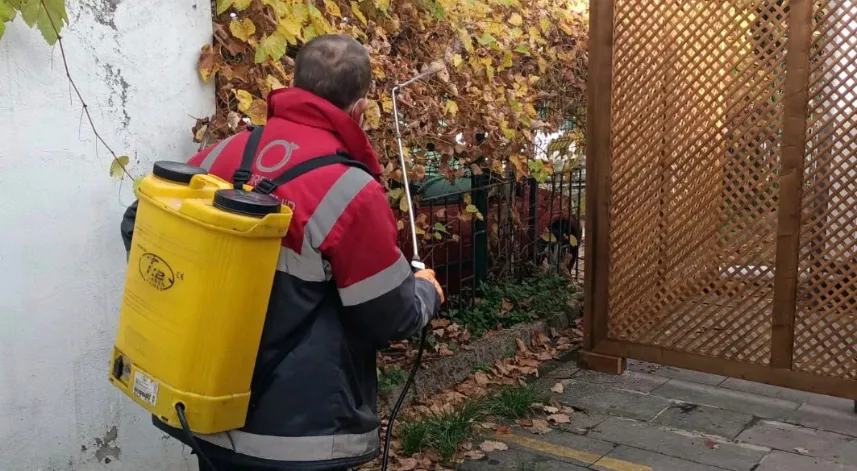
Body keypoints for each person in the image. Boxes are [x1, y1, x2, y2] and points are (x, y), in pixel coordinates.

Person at [120, 34, 444, 471]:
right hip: (296, 438)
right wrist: (425, 292)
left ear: (294, 83)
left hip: (204, 410)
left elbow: (139, 222)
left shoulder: (225, 152)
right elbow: (389, 315)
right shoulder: (351, 191)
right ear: (360, 109)